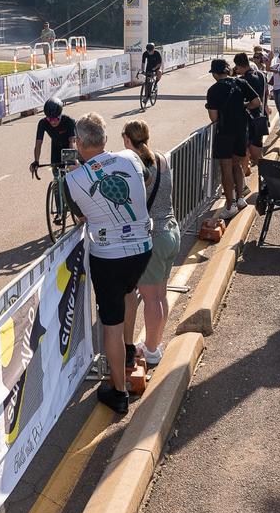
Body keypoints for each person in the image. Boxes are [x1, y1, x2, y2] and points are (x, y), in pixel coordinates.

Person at [62, 113, 152, 415]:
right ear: (104, 138)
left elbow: (81, 216)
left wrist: (83, 172)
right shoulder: (129, 156)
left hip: (109, 258)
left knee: (109, 325)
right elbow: (146, 179)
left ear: (80, 143)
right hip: (142, 249)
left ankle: (119, 391)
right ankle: (128, 351)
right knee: (130, 294)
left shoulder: (72, 179)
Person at [121, 120, 176, 369]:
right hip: (171, 232)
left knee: (151, 299)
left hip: (153, 238)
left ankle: (152, 351)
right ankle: (155, 343)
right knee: (160, 296)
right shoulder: (162, 158)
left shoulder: (137, 167)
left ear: (127, 140)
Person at [205, 59, 260, 219]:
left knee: (226, 169)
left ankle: (230, 206)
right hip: (241, 131)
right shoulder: (241, 82)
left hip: (224, 132)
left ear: (215, 74)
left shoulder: (213, 90)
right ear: (228, 70)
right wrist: (243, 107)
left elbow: (214, 118)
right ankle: (240, 199)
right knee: (237, 165)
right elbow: (256, 102)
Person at [233, 52, 268, 165]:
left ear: (238, 66)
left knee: (247, 154)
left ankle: (253, 179)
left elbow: (253, 102)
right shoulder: (261, 75)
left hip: (249, 121)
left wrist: (244, 106)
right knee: (258, 153)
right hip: (261, 117)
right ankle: (263, 178)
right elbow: (266, 94)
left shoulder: (243, 80)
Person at [31, 98, 78, 174]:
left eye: (56, 119)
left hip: (69, 146)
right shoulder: (42, 123)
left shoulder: (68, 121)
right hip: (56, 147)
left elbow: (72, 142)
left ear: (60, 115)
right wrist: (36, 161)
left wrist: (71, 161)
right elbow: (38, 143)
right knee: (56, 174)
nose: (53, 122)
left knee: (71, 174)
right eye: (49, 119)